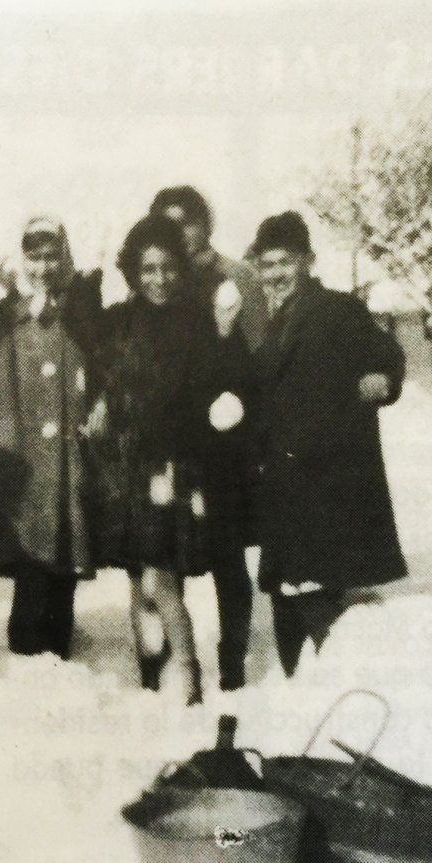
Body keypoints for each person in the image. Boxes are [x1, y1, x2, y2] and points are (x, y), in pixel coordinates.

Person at [244, 211, 408, 675]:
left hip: (330, 481)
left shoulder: (338, 310)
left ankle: (337, 690)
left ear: (308, 260)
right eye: (266, 265)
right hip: (284, 481)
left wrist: (383, 378)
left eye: (284, 262)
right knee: (287, 594)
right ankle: (299, 691)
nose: (274, 274)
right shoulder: (270, 325)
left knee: (321, 592)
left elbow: (386, 354)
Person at [0, 216, 104, 659]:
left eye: (52, 256)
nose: (44, 267)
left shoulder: (77, 310)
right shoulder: (2, 315)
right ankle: (28, 659)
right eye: (34, 258)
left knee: (66, 556)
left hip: (69, 456)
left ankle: (61, 654)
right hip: (20, 457)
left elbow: (103, 356)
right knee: (31, 561)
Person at [87, 216, 221, 704]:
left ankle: (188, 672)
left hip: (172, 466)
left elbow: (206, 394)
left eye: (167, 268)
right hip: (126, 467)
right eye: (148, 269)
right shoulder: (121, 320)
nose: (158, 279)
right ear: (133, 272)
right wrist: (103, 401)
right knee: (137, 579)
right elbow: (92, 347)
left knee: (162, 576)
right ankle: (149, 668)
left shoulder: (197, 322)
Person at [149, 185, 269, 692]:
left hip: (226, 434)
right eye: (167, 223)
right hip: (176, 438)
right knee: (167, 550)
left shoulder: (236, 277)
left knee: (226, 551)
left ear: (206, 224)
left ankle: (234, 657)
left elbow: (259, 352)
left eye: (188, 221)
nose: (180, 233)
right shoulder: (161, 279)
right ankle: (173, 662)